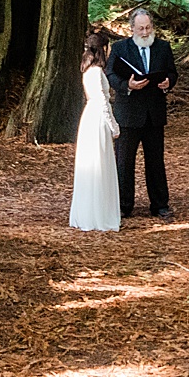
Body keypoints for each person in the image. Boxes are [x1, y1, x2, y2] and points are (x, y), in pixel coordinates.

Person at [105, 7, 176, 219]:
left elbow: (172, 72)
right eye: (141, 28)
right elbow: (110, 74)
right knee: (124, 161)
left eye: (148, 28)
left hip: (154, 113)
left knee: (156, 160)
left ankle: (160, 204)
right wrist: (127, 85)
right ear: (132, 28)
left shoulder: (163, 47)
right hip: (128, 114)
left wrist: (168, 82)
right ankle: (124, 204)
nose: (145, 32)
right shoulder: (120, 48)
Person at [69, 27, 122, 232]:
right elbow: (102, 100)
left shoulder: (87, 71)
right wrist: (114, 126)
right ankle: (100, 215)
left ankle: (88, 213)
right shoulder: (97, 72)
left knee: (90, 166)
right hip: (98, 118)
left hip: (88, 117)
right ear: (103, 50)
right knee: (99, 166)